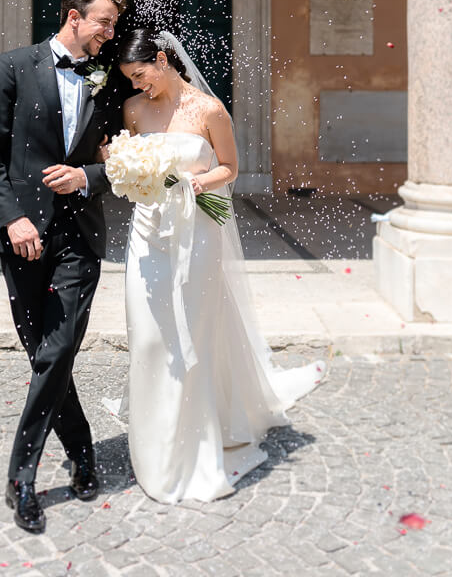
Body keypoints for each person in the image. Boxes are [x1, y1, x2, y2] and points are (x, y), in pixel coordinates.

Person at [111, 27, 326, 504]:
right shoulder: (134, 110)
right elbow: (124, 163)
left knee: (193, 330)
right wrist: (120, 166)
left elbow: (229, 167)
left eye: (142, 75)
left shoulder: (210, 110)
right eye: (131, 80)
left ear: (164, 60)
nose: (139, 87)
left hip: (198, 232)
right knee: (148, 334)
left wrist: (191, 184)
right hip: (147, 235)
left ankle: (192, 443)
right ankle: (153, 435)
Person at [0, 0, 127, 533]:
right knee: (46, 354)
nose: (111, 32)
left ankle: (22, 477)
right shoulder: (12, 66)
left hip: (79, 238)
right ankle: (82, 450)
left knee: (58, 350)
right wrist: (12, 217)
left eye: (112, 23)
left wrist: (88, 175)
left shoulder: (108, 80)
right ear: (73, 15)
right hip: (22, 237)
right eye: (104, 21)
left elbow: (127, 160)